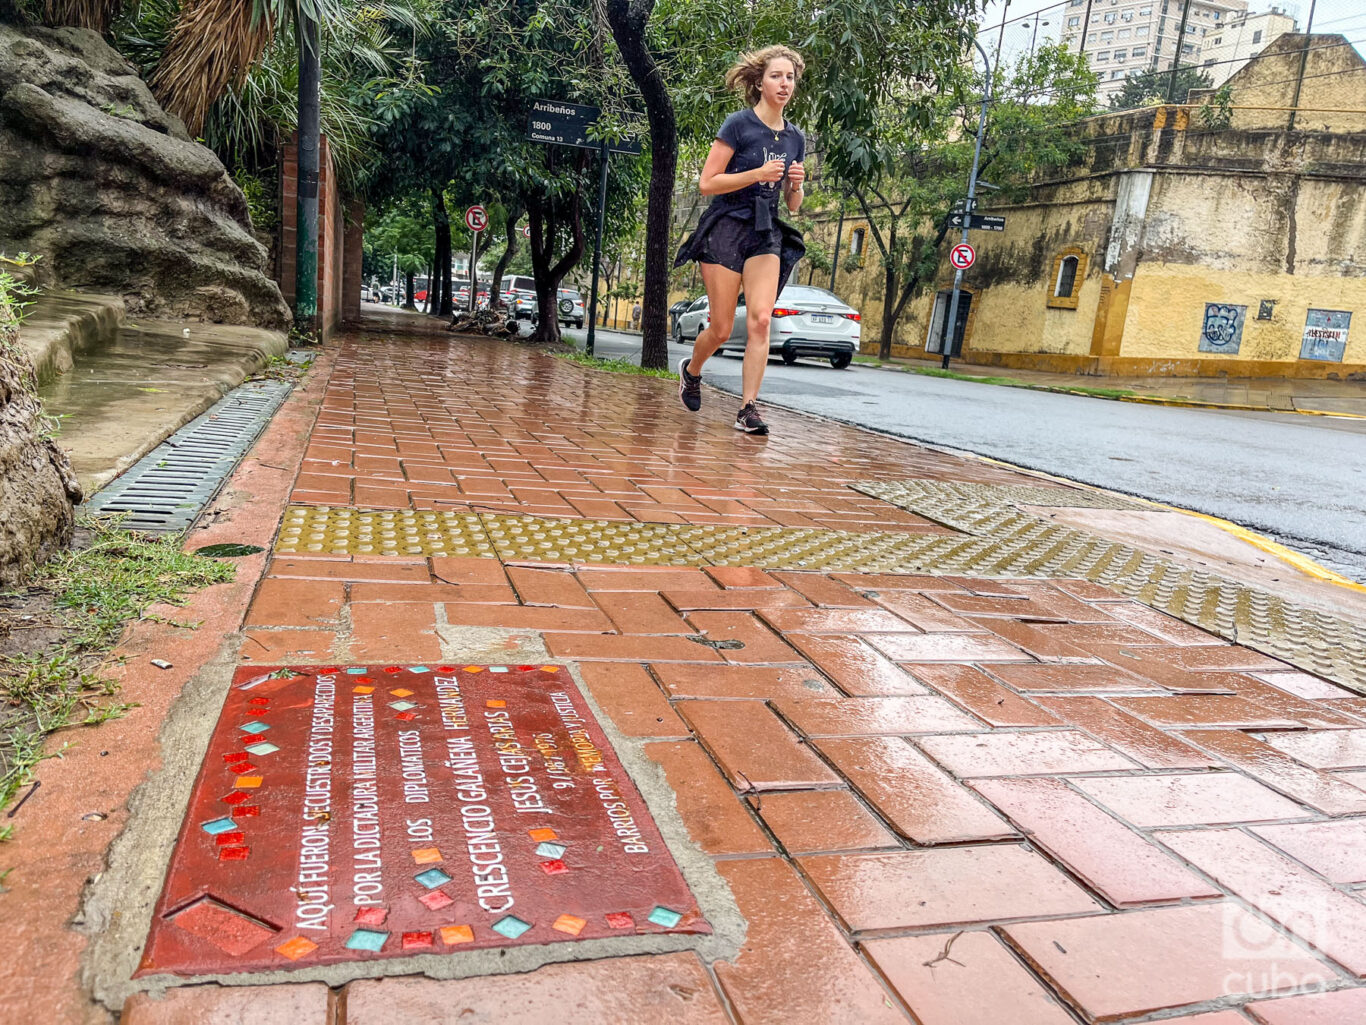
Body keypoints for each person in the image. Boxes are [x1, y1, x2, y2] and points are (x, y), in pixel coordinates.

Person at [673, 45, 806, 436]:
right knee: (721, 327)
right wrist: (756, 173)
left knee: (761, 321)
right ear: (759, 82)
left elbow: (794, 205)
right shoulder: (739, 124)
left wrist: (796, 186)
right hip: (727, 226)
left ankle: (748, 408)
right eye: (776, 76)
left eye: (790, 78)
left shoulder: (795, 137)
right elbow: (707, 183)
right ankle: (692, 370)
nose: (784, 84)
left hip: (765, 231)